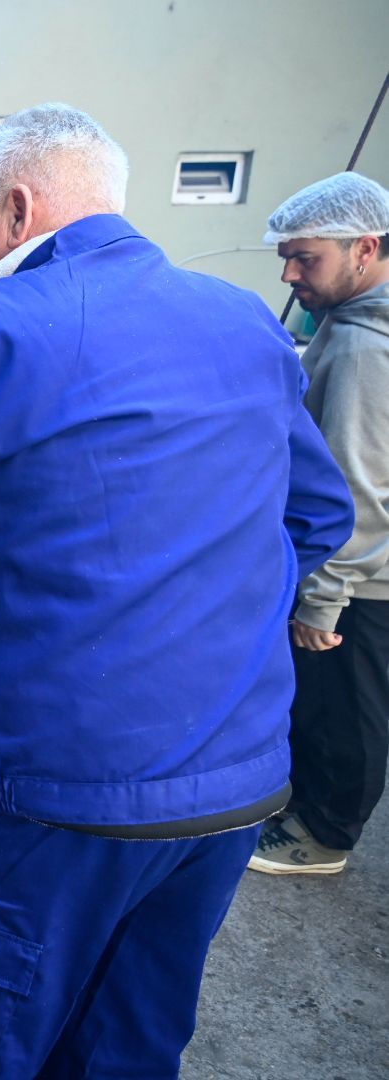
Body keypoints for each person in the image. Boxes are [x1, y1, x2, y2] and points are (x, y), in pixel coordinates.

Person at [0, 104, 353, 1078]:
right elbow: (316, 517)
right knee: (124, 1048)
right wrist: (200, 602)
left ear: (16, 211)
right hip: (232, 790)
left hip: (52, 798)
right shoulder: (243, 321)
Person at [249, 171, 389, 875]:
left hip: (364, 574)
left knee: (347, 709)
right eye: (287, 257)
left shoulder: (368, 348)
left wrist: (324, 596)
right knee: (325, 701)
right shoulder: (349, 323)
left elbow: (358, 485)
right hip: (355, 563)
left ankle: (327, 837)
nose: (290, 272)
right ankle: (306, 808)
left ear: (365, 250)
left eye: (307, 259)